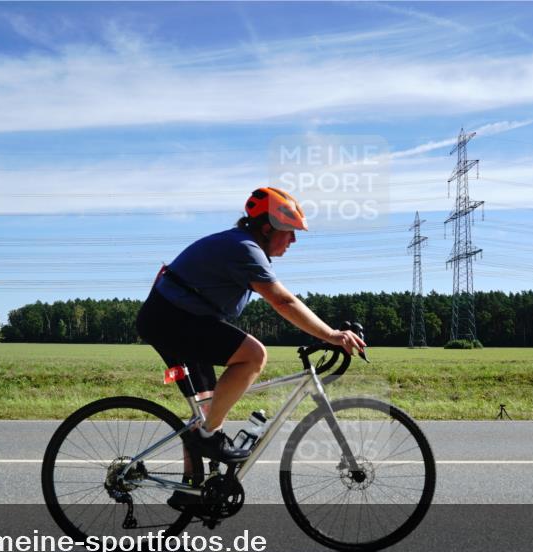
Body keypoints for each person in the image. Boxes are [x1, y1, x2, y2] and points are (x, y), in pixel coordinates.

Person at [135, 187, 366, 501]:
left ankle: (191, 490)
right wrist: (332, 335)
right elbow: (283, 301)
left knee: (208, 410)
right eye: (290, 232)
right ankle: (206, 440)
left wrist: (328, 332)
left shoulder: (242, 246)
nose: (294, 240)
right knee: (253, 356)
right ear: (268, 229)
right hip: (172, 319)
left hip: (178, 318)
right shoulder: (244, 248)